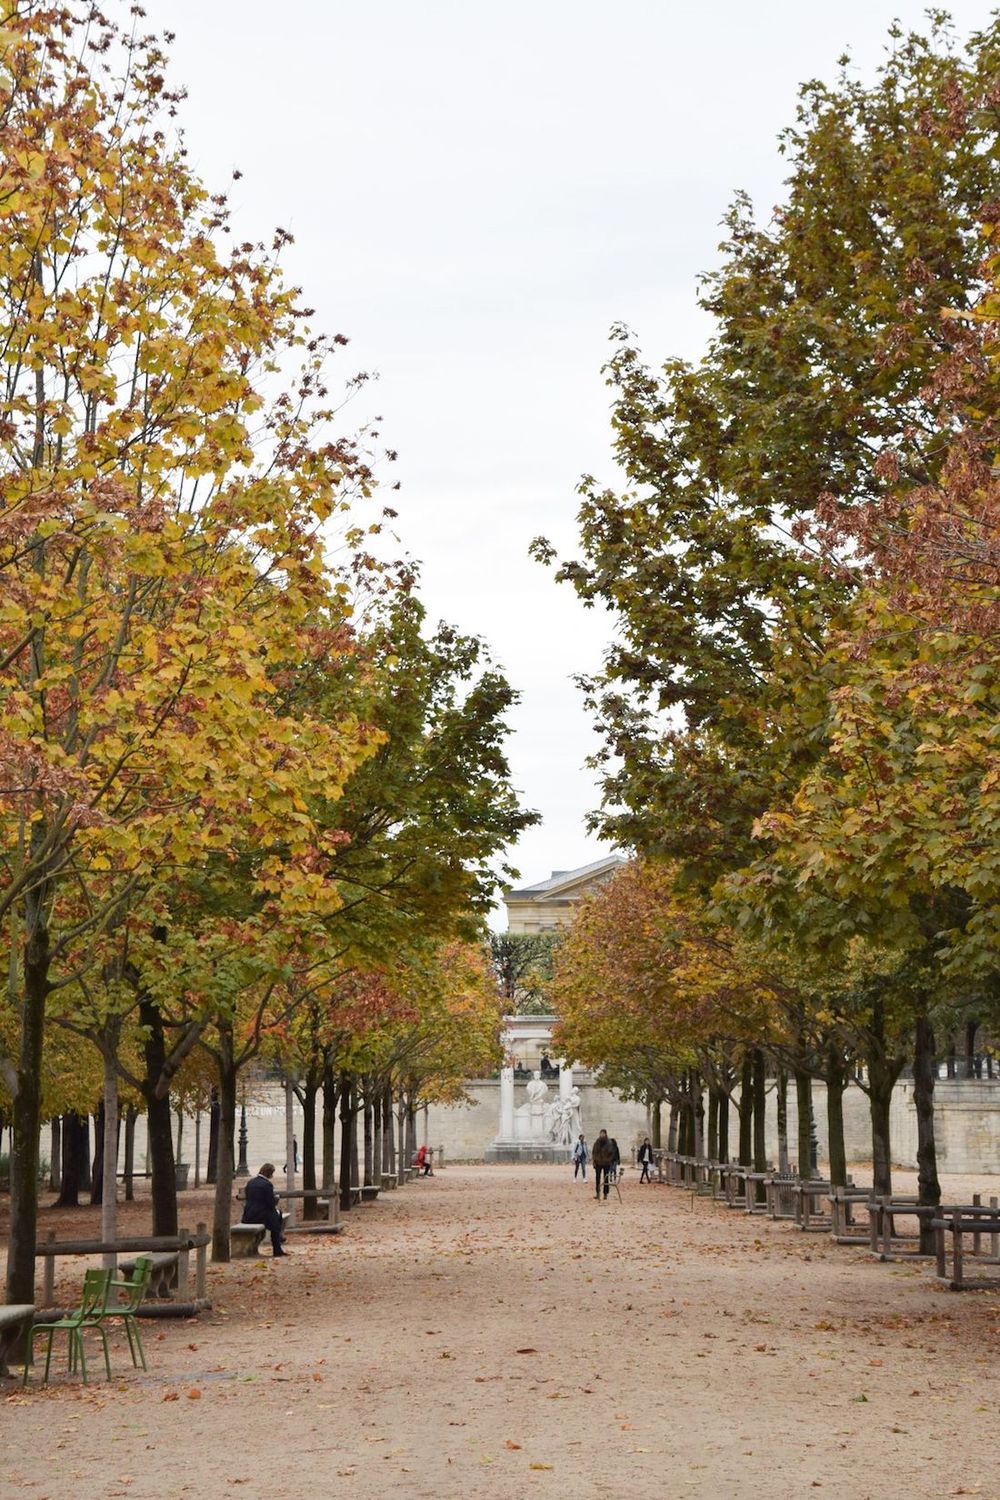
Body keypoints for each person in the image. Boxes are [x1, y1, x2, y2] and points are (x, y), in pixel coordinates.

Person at [241, 1162, 288, 1257]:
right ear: (269, 1173)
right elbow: (270, 1203)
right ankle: (277, 1246)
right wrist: (276, 1199)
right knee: (276, 1219)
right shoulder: (267, 1185)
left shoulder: (251, 1182)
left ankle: (279, 1236)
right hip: (261, 1214)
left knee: (276, 1215)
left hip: (248, 1214)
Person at [591, 1129, 614, 1201]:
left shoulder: (609, 1143)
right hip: (598, 1163)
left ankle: (605, 1193)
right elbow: (594, 1152)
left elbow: (611, 1153)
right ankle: (597, 1193)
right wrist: (594, 1160)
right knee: (597, 1178)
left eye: (603, 1134)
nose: (602, 1135)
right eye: (601, 1133)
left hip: (606, 1163)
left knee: (606, 1179)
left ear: (605, 1134)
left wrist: (608, 1160)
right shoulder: (597, 1142)